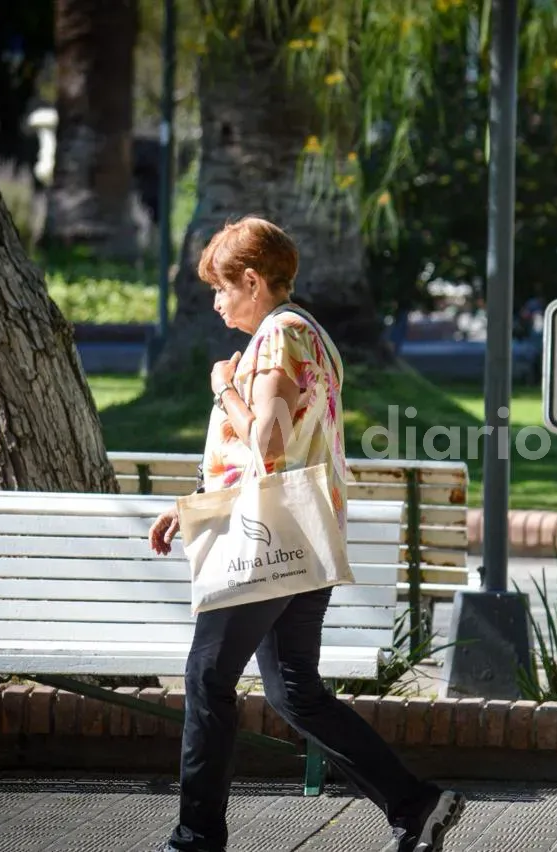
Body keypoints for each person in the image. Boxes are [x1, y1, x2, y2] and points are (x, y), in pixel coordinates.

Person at [146, 216, 465, 852]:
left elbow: (266, 441)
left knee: (209, 677)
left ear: (253, 281)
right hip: (303, 535)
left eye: (221, 287)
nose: (215, 301)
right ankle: (416, 804)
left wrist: (221, 391)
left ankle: (196, 839)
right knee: (296, 692)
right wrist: (195, 506)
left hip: (266, 538)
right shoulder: (312, 335)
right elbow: (280, 451)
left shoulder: (278, 335)